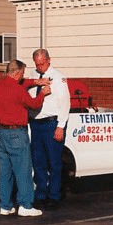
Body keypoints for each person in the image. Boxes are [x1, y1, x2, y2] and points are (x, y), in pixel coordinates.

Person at [0, 59, 51, 217]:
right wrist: (43, 93)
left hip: (1, 134)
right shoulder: (18, 91)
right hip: (17, 133)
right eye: (23, 74)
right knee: (23, 170)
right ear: (17, 73)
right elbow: (33, 104)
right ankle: (25, 205)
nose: (23, 77)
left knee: (5, 171)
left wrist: (36, 81)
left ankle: (5, 205)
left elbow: (21, 84)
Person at [28, 49, 70, 210]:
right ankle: (40, 194)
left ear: (49, 60)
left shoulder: (58, 77)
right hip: (35, 123)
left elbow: (65, 103)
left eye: (42, 64)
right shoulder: (32, 76)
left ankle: (53, 195)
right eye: (37, 64)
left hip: (51, 124)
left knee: (54, 162)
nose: (40, 67)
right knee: (38, 162)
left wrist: (60, 126)